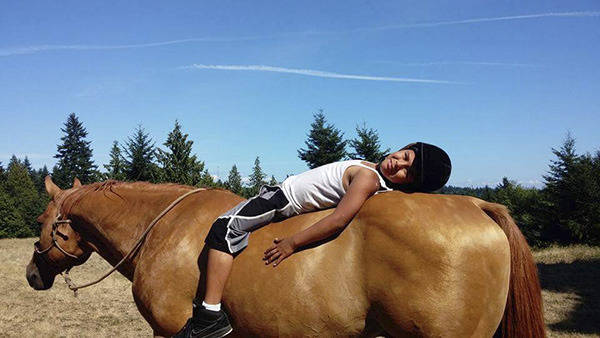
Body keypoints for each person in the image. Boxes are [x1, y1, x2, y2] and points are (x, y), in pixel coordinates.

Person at [174, 142, 452, 338]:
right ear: (404, 146)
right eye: (404, 156)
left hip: (283, 199)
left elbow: (339, 219)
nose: (398, 164)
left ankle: (209, 316)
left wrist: (292, 242)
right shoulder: (372, 169)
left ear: (408, 183)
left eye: (406, 171)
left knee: (223, 228)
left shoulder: (367, 178)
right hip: (280, 194)